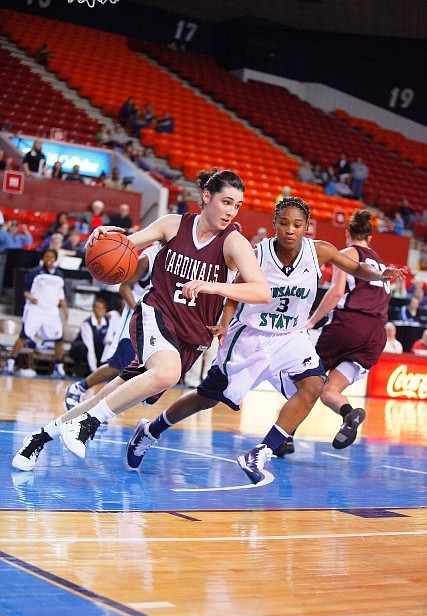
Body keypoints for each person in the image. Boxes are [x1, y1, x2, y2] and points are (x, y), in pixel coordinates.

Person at [122, 199, 403, 485]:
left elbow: (357, 269)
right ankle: (151, 430)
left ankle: (262, 451)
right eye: (283, 223)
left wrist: (381, 273)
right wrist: (224, 323)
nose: (290, 230)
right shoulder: (257, 254)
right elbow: (233, 292)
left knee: (315, 385)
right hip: (251, 335)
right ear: (274, 224)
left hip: (291, 337)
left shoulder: (320, 250)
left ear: (307, 227)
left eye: (297, 225)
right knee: (207, 398)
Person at [12, 168, 271, 472]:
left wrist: (212, 286)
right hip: (155, 312)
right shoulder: (174, 225)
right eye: (226, 202)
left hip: (191, 336)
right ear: (206, 197)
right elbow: (124, 245)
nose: (231, 211)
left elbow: (261, 291)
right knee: (167, 373)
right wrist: (99, 239)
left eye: (237, 205)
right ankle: (88, 425)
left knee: (112, 393)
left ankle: (39, 438)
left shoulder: (233, 242)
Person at [305, 209, 400, 451]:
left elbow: (336, 292)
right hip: (376, 335)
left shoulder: (347, 254)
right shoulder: (380, 263)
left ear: (347, 233)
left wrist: (312, 321)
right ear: (371, 238)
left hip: (350, 326)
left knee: (307, 380)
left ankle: (284, 437)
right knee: (329, 390)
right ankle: (349, 414)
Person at [64, 243, 162, 410]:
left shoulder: (176, 255)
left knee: (156, 363)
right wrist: (138, 310)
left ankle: (105, 407)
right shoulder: (148, 258)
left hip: (157, 318)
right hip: (136, 316)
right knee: (118, 365)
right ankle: (79, 388)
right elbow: (124, 287)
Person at [5, 248, 68, 378]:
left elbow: (61, 296)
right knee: (24, 336)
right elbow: (25, 291)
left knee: (59, 339)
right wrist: (30, 298)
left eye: (51, 257)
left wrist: (65, 310)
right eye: (46, 256)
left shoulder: (60, 275)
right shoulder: (35, 273)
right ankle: (10, 362)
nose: (49, 259)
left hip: (51, 311)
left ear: (55, 259)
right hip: (35, 310)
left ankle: (59, 366)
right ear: (42, 258)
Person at [67, 298, 118, 378]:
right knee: (82, 348)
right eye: (97, 307)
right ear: (93, 309)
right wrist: (94, 370)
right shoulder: (87, 323)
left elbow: (108, 340)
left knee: (110, 346)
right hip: (80, 349)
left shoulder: (108, 321)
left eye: (102, 308)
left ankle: (104, 372)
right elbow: (89, 346)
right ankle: (77, 372)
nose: (100, 310)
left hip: (96, 348)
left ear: (105, 310)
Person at [0, 220, 33, 296]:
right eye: (12, 226)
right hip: (4, 258)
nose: (14, 228)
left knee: (12, 276)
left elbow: (29, 240)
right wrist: (5, 228)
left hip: (15, 259)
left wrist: (25, 230)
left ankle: (10, 293)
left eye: (16, 227)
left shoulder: (19, 237)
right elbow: (0, 237)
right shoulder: (5, 234)